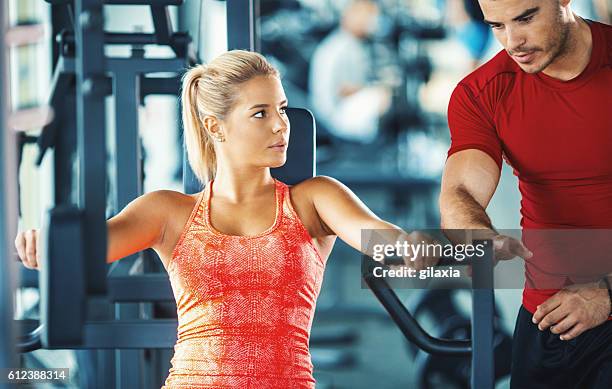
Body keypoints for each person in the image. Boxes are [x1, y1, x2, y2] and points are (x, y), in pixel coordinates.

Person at [14, 50, 435, 388]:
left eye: (282, 110)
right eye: (260, 113)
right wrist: (42, 248)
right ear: (216, 127)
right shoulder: (167, 211)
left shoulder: (314, 199)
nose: (280, 126)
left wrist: (450, 250)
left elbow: (389, 241)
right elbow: (82, 249)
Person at [439, 0, 612, 387]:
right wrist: (475, 236)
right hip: (549, 318)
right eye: (497, 26)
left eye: (526, 18)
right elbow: (461, 192)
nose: (513, 41)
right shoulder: (482, 92)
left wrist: (606, 293)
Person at [309, 0, 391, 143]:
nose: (371, 23)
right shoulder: (341, 47)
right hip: (333, 116)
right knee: (381, 95)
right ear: (350, 14)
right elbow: (343, 90)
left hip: (332, 113)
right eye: (367, 16)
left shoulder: (348, 43)